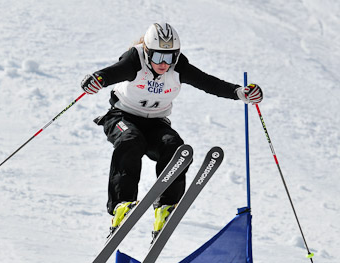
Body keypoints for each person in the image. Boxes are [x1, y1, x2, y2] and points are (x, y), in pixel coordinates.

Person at [81, 22, 263, 238]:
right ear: (147, 52)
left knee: (175, 148)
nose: (164, 64)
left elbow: (208, 83)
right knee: (130, 140)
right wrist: (96, 80)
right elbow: (111, 73)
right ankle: (122, 202)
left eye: (170, 57)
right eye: (158, 57)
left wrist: (239, 92)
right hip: (121, 117)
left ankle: (165, 208)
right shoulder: (134, 59)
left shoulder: (179, 66)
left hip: (156, 123)